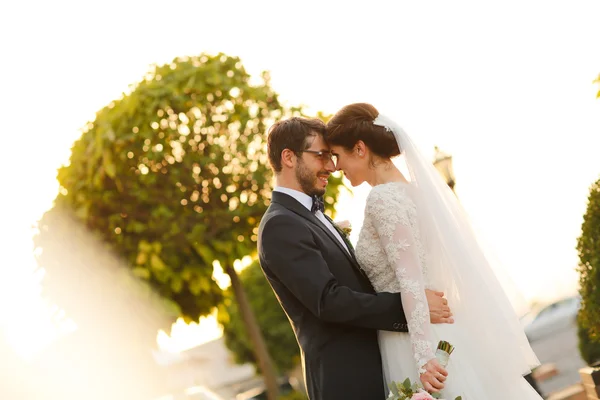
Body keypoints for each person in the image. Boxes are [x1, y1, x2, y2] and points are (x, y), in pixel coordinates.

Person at [325, 102, 543, 399]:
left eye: (337, 156)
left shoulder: (382, 199)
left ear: (360, 149)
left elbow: (410, 280)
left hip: (413, 339)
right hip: (439, 329)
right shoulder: (414, 194)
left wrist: (424, 358)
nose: (336, 167)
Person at [257, 117, 453, 400]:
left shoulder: (312, 215)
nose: (331, 166)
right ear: (289, 157)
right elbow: (329, 301)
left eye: (332, 156)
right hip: (348, 381)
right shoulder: (279, 225)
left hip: (381, 367)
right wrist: (411, 305)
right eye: (321, 156)